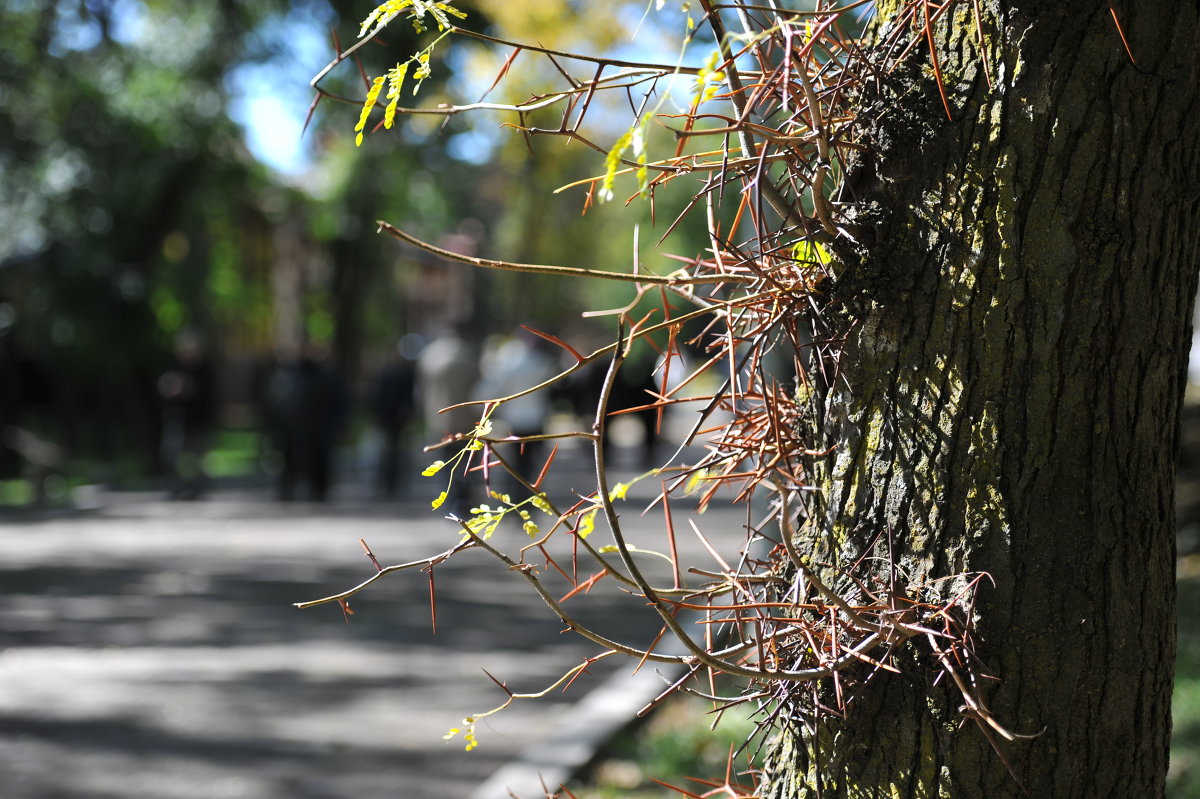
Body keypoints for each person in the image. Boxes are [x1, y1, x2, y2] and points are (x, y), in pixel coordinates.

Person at [475, 329, 558, 493]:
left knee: (515, 461)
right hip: (536, 417)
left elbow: (494, 389)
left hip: (515, 418)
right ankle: (529, 493)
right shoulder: (540, 361)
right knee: (531, 460)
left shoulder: (509, 362)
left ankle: (516, 495)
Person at [267, 343, 347, 502]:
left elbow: (338, 402)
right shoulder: (288, 375)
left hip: (319, 427)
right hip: (294, 427)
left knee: (319, 461)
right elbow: (278, 402)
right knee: (290, 460)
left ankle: (319, 491)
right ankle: (288, 490)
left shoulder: (326, 376)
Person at [416, 321, 479, 513]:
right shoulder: (468, 355)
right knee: (467, 462)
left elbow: (420, 391)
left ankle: (449, 501)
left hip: (438, 419)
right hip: (467, 420)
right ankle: (463, 500)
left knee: (444, 463)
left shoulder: (429, 356)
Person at [157, 328, 216, 499]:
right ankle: (176, 488)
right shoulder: (174, 366)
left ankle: (198, 489)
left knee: (197, 457)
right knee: (172, 454)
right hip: (177, 419)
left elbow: (209, 394)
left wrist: (189, 388)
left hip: (198, 420)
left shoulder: (205, 369)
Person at [368, 336, 419, 499]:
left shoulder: (389, 373)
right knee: (390, 452)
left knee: (391, 451)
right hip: (392, 418)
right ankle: (389, 482)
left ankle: (389, 483)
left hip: (390, 418)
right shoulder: (400, 373)